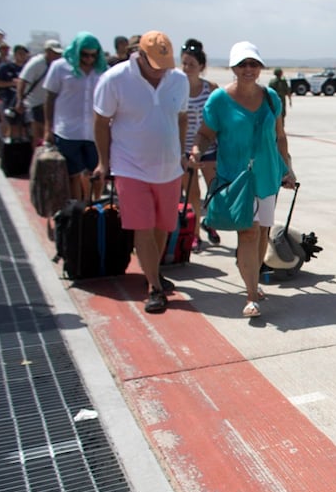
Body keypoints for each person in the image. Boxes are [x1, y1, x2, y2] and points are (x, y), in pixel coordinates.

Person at [190, 41, 296, 318]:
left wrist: (288, 168)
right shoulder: (219, 100)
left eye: (253, 64)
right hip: (235, 178)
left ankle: (253, 280)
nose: (248, 69)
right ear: (233, 68)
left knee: (262, 233)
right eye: (242, 64)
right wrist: (196, 150)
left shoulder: (271, 97)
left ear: (260, 67)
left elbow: (280, 136)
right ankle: (251, 295)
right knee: (247, 232)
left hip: (267, 175)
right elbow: (204, 133)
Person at [93, 31, 190, 315]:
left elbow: (182, 117)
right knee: (143, 228)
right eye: (155, 66)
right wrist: (103, 161)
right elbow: (100, 121)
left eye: (166, 66)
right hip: (130, 167)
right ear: (140, 56)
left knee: (163, 228)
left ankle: (153, 272)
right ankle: (155, 289)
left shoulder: (178, 80)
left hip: (169, 168)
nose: (161, 72)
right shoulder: (115, 79)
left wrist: (181, 153)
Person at [44, 32, 107, 201]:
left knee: (97, 172)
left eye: (93, 55)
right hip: (68, 131)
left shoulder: (103, 71)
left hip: (95, 132)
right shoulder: (60, 67)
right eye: (84, 55)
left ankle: (95, 203)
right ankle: (78, 207)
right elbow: (50, 98)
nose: (88, 59)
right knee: (74, 174)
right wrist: (47, 128)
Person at [181, 38, 219, 251]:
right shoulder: (177, 88)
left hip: (209, 149)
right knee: (192, 194)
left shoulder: (210, 89)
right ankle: (195, 233)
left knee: (214, 190)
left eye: (191, 65)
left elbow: (220, 118)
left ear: (201, 67)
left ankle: (210, 222)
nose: (186, 69)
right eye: (184, 64)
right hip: (186, 151)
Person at [15, 39, 63, 146]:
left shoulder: (58, 65)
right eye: (54, 53)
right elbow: (22, 81)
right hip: (35, 103)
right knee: (38, 136)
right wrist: (19, 100)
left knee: (49, 135)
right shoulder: (36, 62)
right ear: (47, 51)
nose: (57, 55)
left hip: (50, 104)